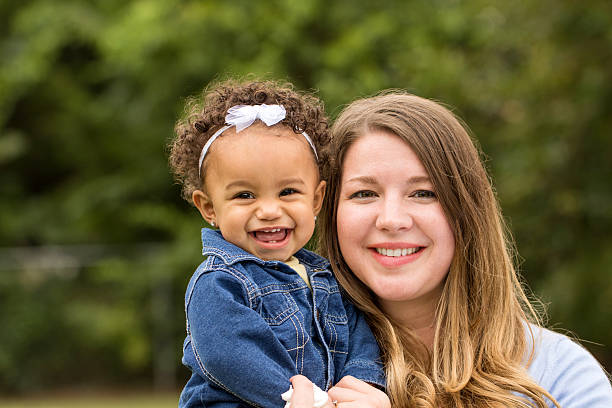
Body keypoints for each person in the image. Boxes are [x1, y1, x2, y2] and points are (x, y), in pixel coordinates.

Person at [290, 92, 612, 407]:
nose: (391, 220)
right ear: (329, 211)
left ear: (466, 212)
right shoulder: (287, 360)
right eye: (364, 193)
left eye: (423, 193)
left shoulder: (559, 378)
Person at [168, 79, 385, 407]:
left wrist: (362, 385)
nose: (269, 210)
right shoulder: (219, 282)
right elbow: (229, 354)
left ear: (316, 199)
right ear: (209, 207)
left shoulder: (329, 279)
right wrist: (306, 399)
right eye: (245, 195)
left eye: (287, 192)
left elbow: (359, 339)